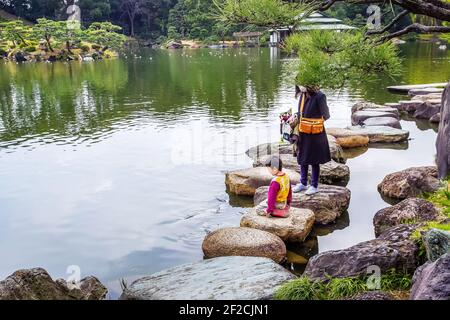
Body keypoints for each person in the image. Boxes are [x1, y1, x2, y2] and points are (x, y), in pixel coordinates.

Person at [291, 85, 331, 195]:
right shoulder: (303, 95)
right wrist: (294, 118)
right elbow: (300, 113)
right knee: (302, 156)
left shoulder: (320, 96)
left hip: (316, 133)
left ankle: (314, 185)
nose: (300, 87)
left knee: (314, 160)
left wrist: (313, 121)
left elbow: (326, 115)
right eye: (299, 85)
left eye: (302, 84)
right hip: (303, 132)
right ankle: (303, 183)